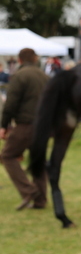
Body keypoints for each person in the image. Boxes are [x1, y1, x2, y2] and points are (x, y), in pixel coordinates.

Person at [1, 48, 50, 210]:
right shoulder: (46, 77)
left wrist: (4, 125)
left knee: (7, 156)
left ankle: (29, 191)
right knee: (38, 162)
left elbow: (11, 104)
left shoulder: (20, 76)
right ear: (35, 59)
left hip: (25, 124)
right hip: (43, 126)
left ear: (20, 60)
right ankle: (40, 200)